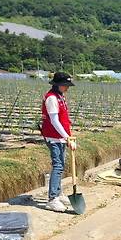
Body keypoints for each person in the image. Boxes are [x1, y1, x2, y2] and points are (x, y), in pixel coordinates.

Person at [40, 72, 77, 212]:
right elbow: (54, 121)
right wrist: (66, 137)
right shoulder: (51, 99)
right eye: (65, 85)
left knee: (61, 165)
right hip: (53, 137)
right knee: (58, 166)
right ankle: (52, 198)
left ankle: (58, 192)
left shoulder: (60, 97)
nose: (67, 88)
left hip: (61, 137)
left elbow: (62, 118)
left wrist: (68, 135)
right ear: (58, 85)